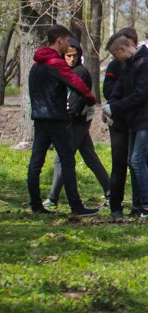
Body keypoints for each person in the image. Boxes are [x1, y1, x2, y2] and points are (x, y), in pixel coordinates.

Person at [25, 25, 100, 216]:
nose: (69, 44)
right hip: (57, 120)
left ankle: (35, 205)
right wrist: (90, 100)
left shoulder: (36, 65)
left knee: (36, 162)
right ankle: (76, 206)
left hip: (39, 119)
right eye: (67, 41)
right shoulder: (56, 63)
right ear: (59, 40)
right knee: (67, 161)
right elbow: (76, 84)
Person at [43, 38, 109, 210]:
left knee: (61, 159)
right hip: (74, 122)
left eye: (75, 55)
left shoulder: (80, 72)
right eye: (68, 55)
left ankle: (52, 199)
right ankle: (111, 193)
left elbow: (76, 101)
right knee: (90, 158)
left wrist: (64, 121)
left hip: (75, 122)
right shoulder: (63, 70)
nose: (72, 59)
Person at [104, 34, 148, 218]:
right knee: (132, 161)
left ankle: (146, 206)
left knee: (137, 160)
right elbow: (118, 89)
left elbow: (140, 94)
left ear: (122, 49)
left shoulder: (145, 64)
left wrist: (115, 107)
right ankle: (137, 207)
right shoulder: (128, 65)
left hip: (147, 118)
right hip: (134, 120)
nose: (116, 59)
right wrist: (110, 106)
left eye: (115, 54)